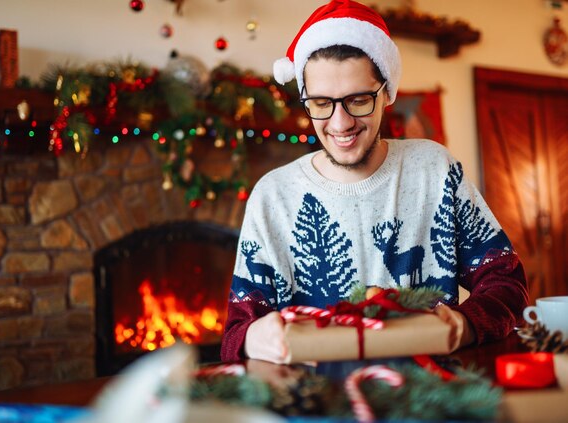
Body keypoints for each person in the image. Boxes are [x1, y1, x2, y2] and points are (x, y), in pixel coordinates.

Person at [220, 0, 528, 364]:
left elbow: (506, 283)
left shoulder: (436, 170)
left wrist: (463, 325)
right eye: (321, 103)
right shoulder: (272, 196)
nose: (340, 123)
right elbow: (235, 335)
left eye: (358, 100)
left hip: (432, 398)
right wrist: (255, 338)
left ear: (386, 94)